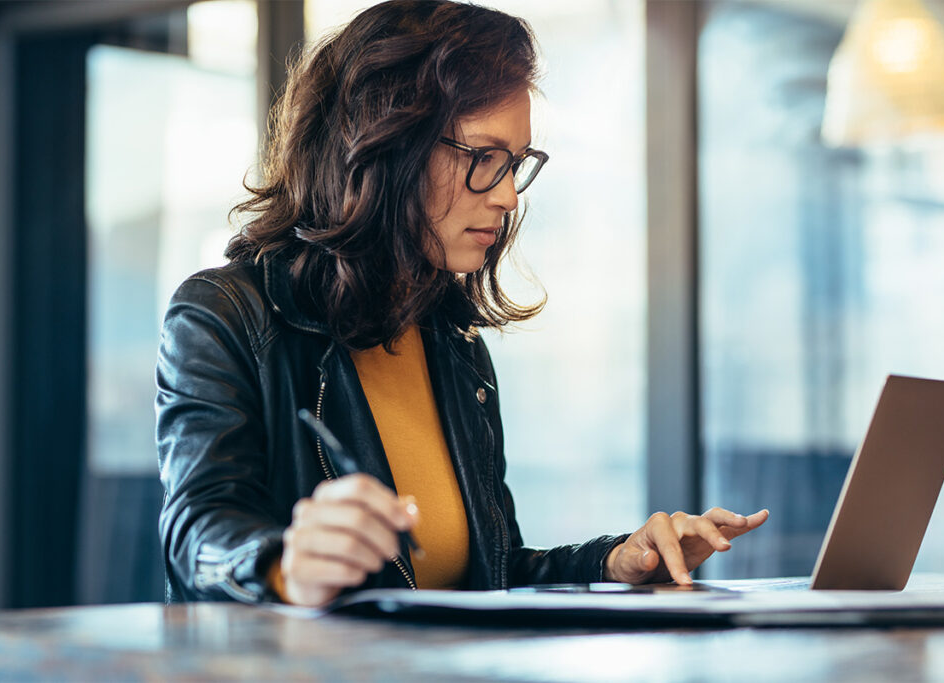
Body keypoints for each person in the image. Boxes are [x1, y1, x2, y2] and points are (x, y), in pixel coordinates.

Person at [156, 0, 767, 607]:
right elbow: (196, 536)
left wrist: (616, 561)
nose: (506, 196)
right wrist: (287, 567)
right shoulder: (224, 315)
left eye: (515, 164)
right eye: (483, 158)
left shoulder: (450, 338)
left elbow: (487, 574)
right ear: (386, 144)